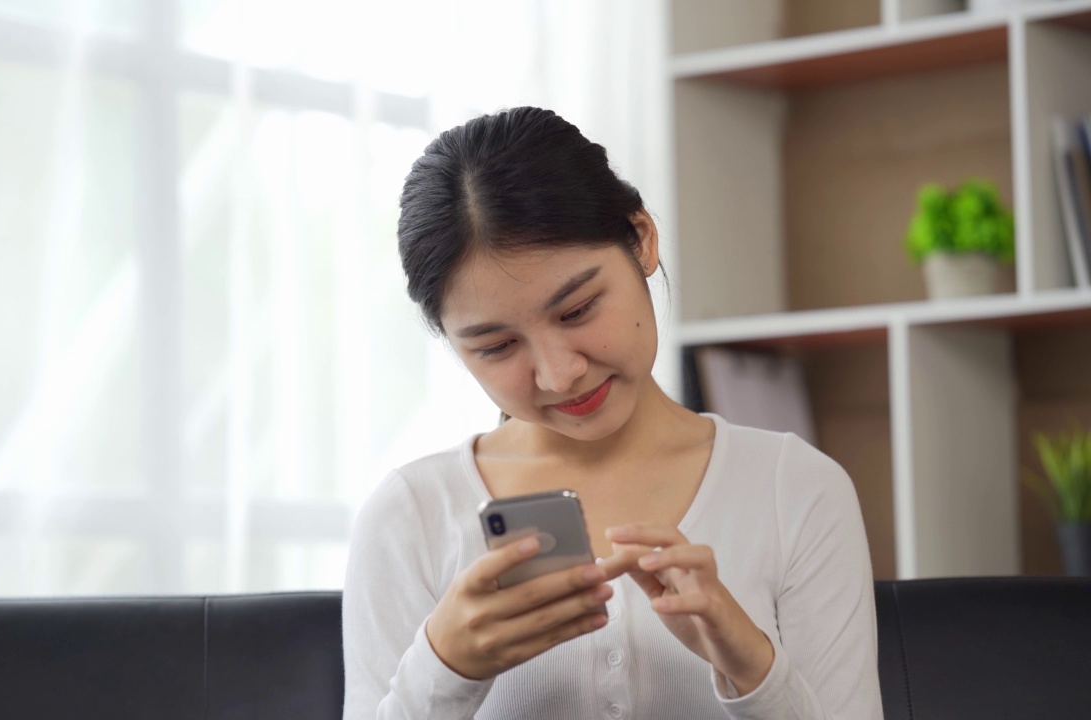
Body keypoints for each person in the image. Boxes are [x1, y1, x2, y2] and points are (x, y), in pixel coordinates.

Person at [342, 106, 882, 719]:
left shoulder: (795, 491)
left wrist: (751, 666)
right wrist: (444, 668)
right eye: (496, 347)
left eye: (576, 311)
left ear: (642, 239)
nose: (558, 373)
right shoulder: (410, 517)